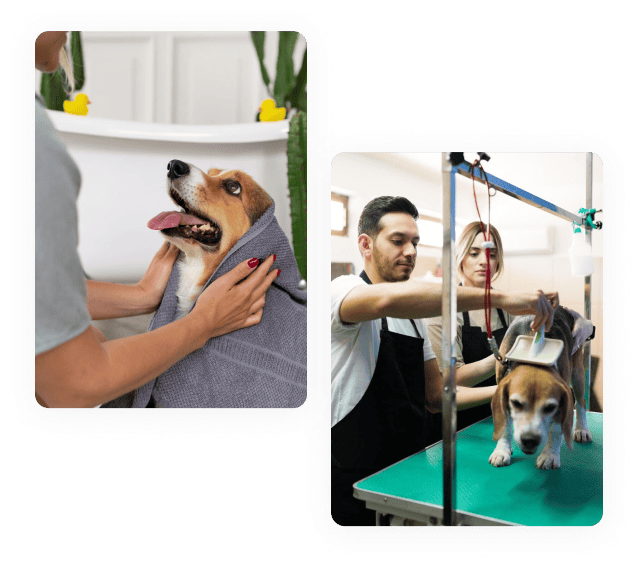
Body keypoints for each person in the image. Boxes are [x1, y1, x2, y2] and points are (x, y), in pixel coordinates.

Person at [34, 31, 278, 408]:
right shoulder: (33, 142)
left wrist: (141, 296)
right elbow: (74, 383)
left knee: (97, 342)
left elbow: (30, 292)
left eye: (230, 188)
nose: (68, 27)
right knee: (94, 347)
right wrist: (203, 323)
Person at [330, 196, 560, 527]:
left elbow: (438, 398)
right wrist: (504, 297)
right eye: (398, 240)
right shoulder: (343, 290)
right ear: (365, 245)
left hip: (407, 465)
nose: (410, 251)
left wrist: (508, 394)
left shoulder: (413, 320)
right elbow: (384, 300)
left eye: (415, 242)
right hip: (353, 473)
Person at [426, 221, 596, 438]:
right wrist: (502, 359)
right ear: (460, 257)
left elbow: (549, 327)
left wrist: (579, 322)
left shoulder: (506, 306)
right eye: (474, 253)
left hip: (506, 417)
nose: (484, 262)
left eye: (492, 254)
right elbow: (448, 382)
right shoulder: (443, 312)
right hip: (459, 427)